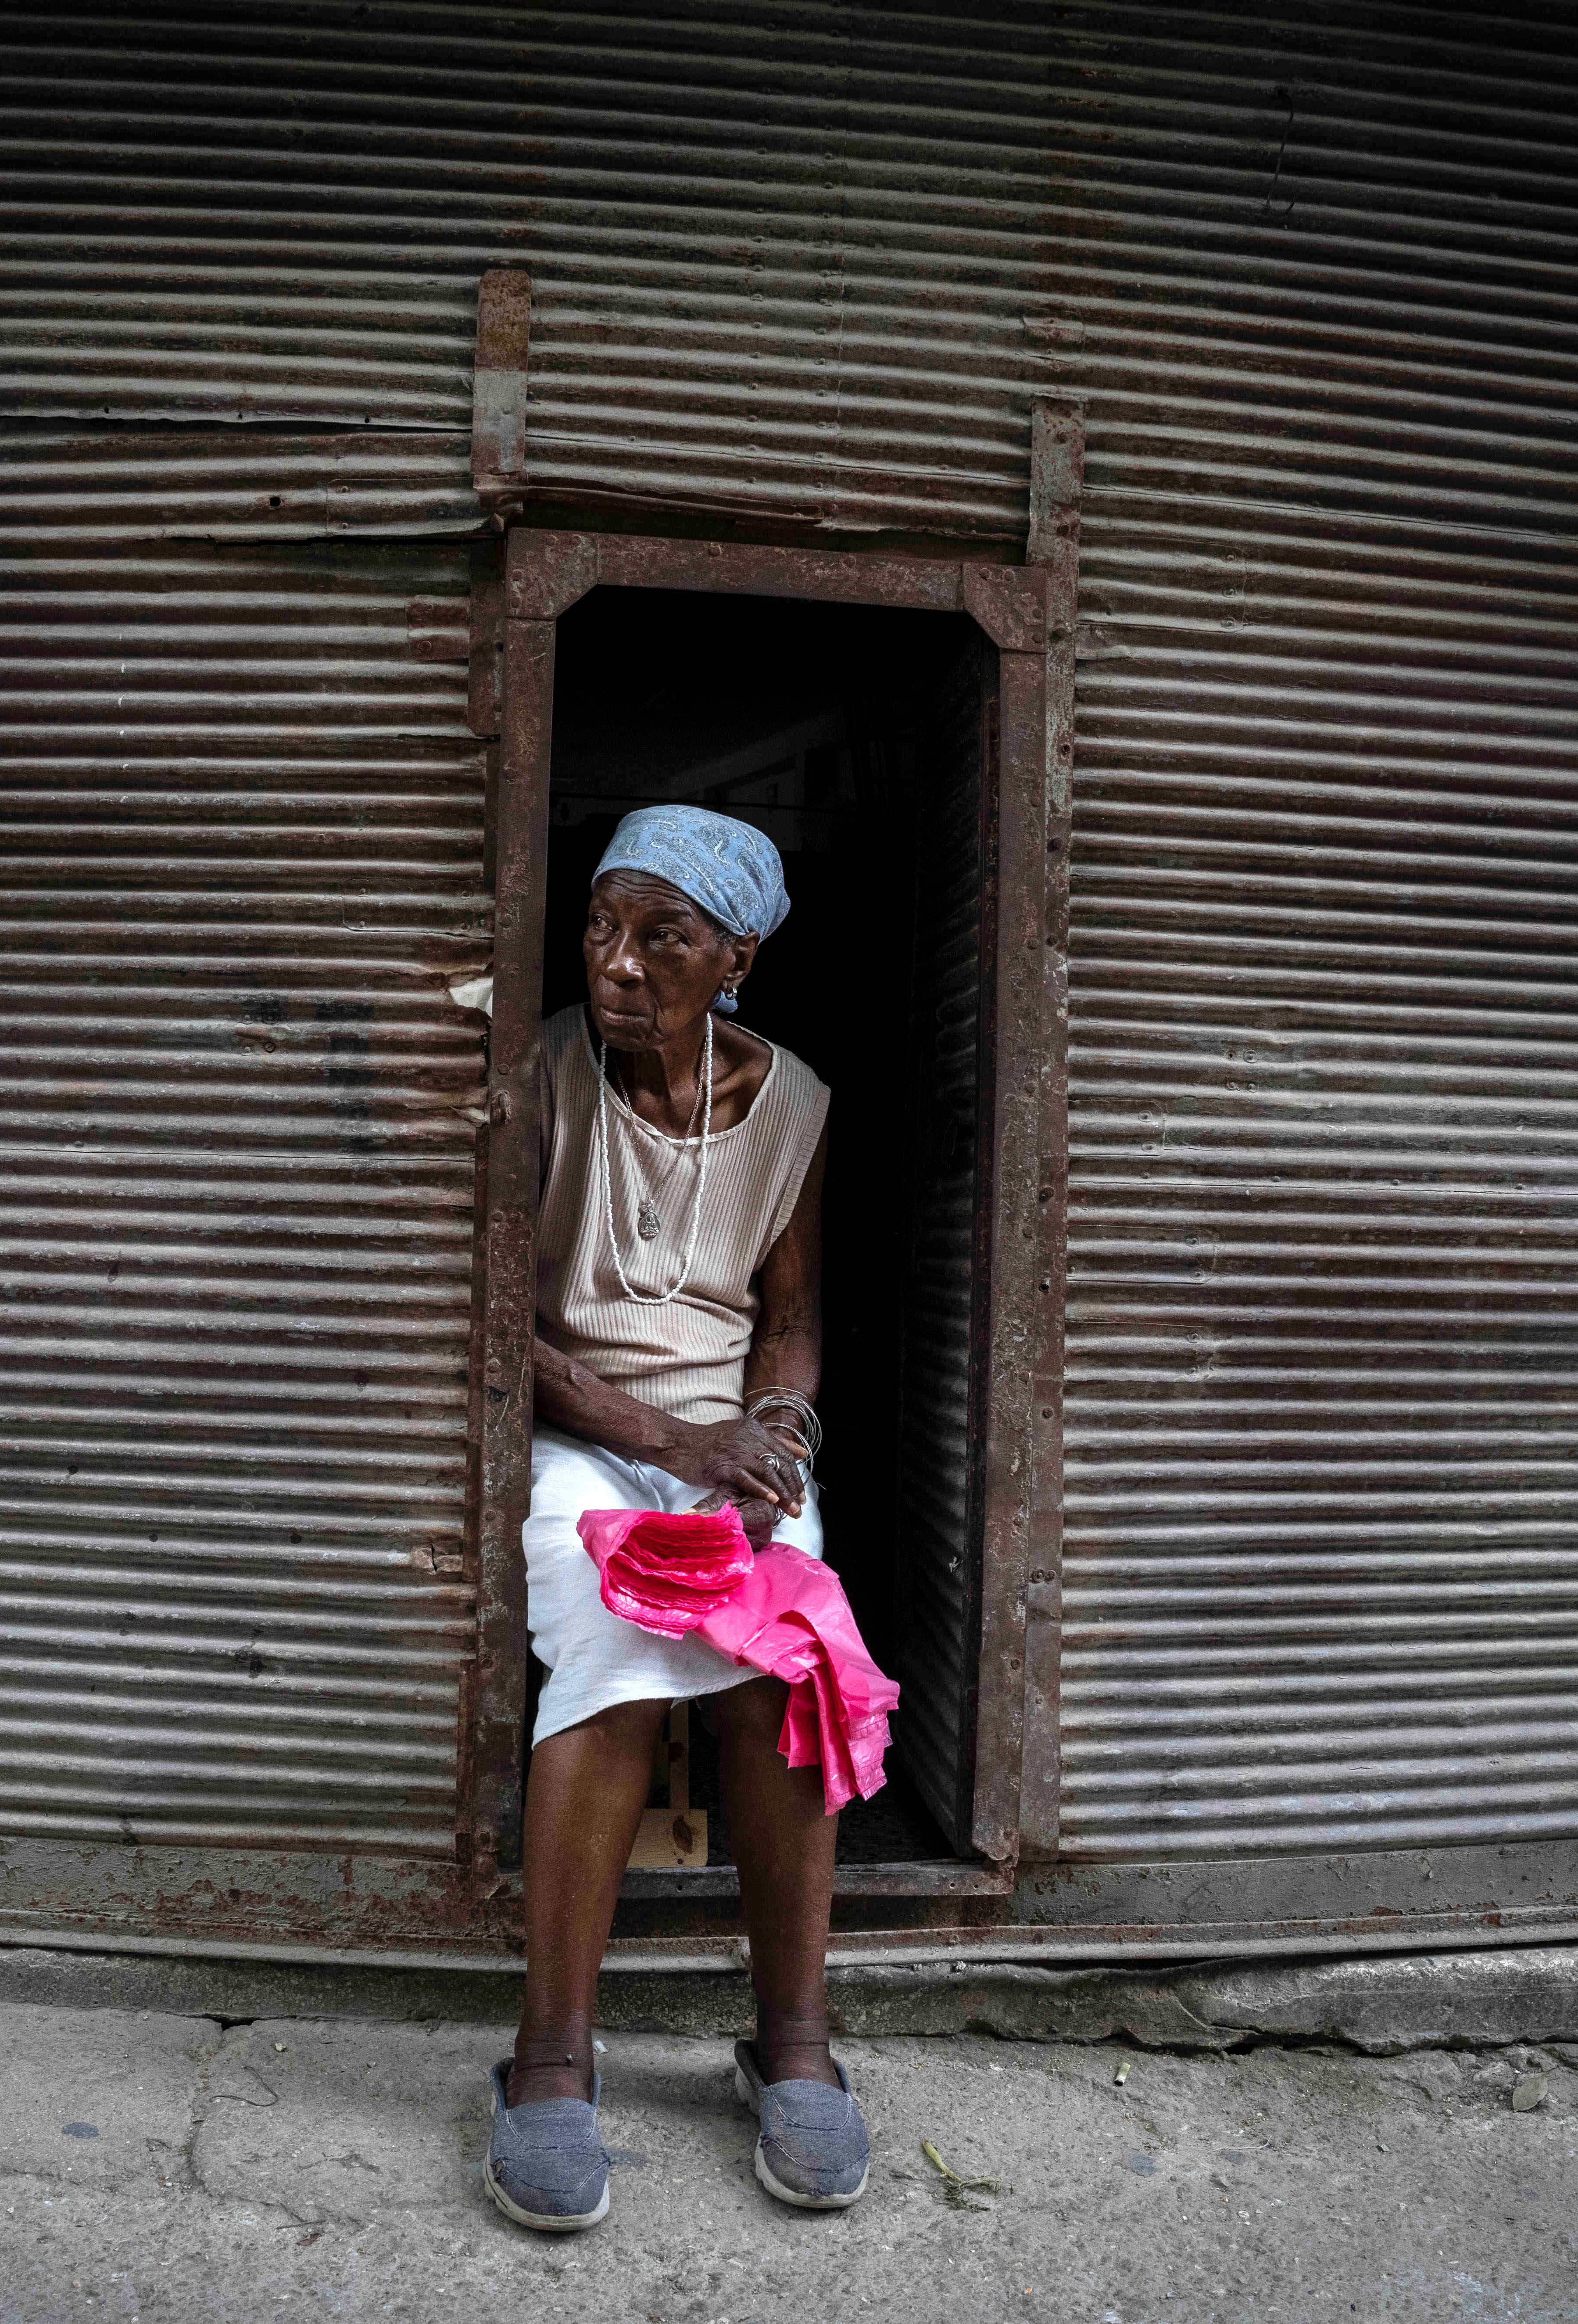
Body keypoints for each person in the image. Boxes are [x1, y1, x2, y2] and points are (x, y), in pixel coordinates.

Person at [480, 804, 875, 2232]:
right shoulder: (536, 1072)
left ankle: (793, 2047)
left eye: (665, 937)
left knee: (793, 1656)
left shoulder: (799, 1106)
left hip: (719, 1444)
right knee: (610, 1647)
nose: (620, 962)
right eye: (603, 926)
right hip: (585, 1434)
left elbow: (792, 1322)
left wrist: (776, 1441)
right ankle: (552, 2058)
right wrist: (662, 1435)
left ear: (738, 960)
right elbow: (493, 1323)